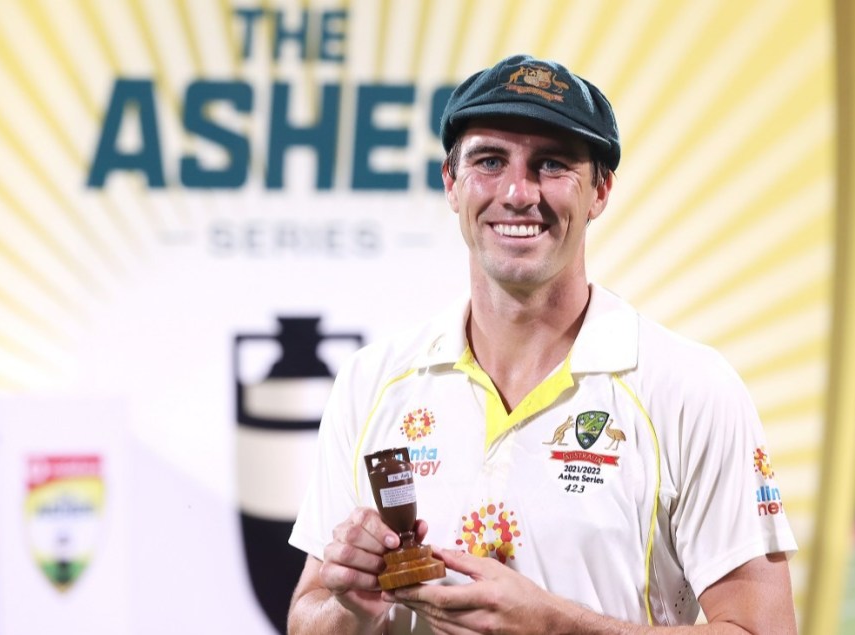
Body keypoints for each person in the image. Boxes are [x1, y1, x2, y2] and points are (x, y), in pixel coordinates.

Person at [286, 54, 798, 634]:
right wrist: (349, 605)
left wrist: (556, 625)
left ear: (600, 191)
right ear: (451, 183)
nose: (516, 192)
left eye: (551, 165)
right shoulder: (373, 381)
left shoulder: (690, 388)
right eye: (489, 160)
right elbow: (307, 618)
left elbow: (765, 629)